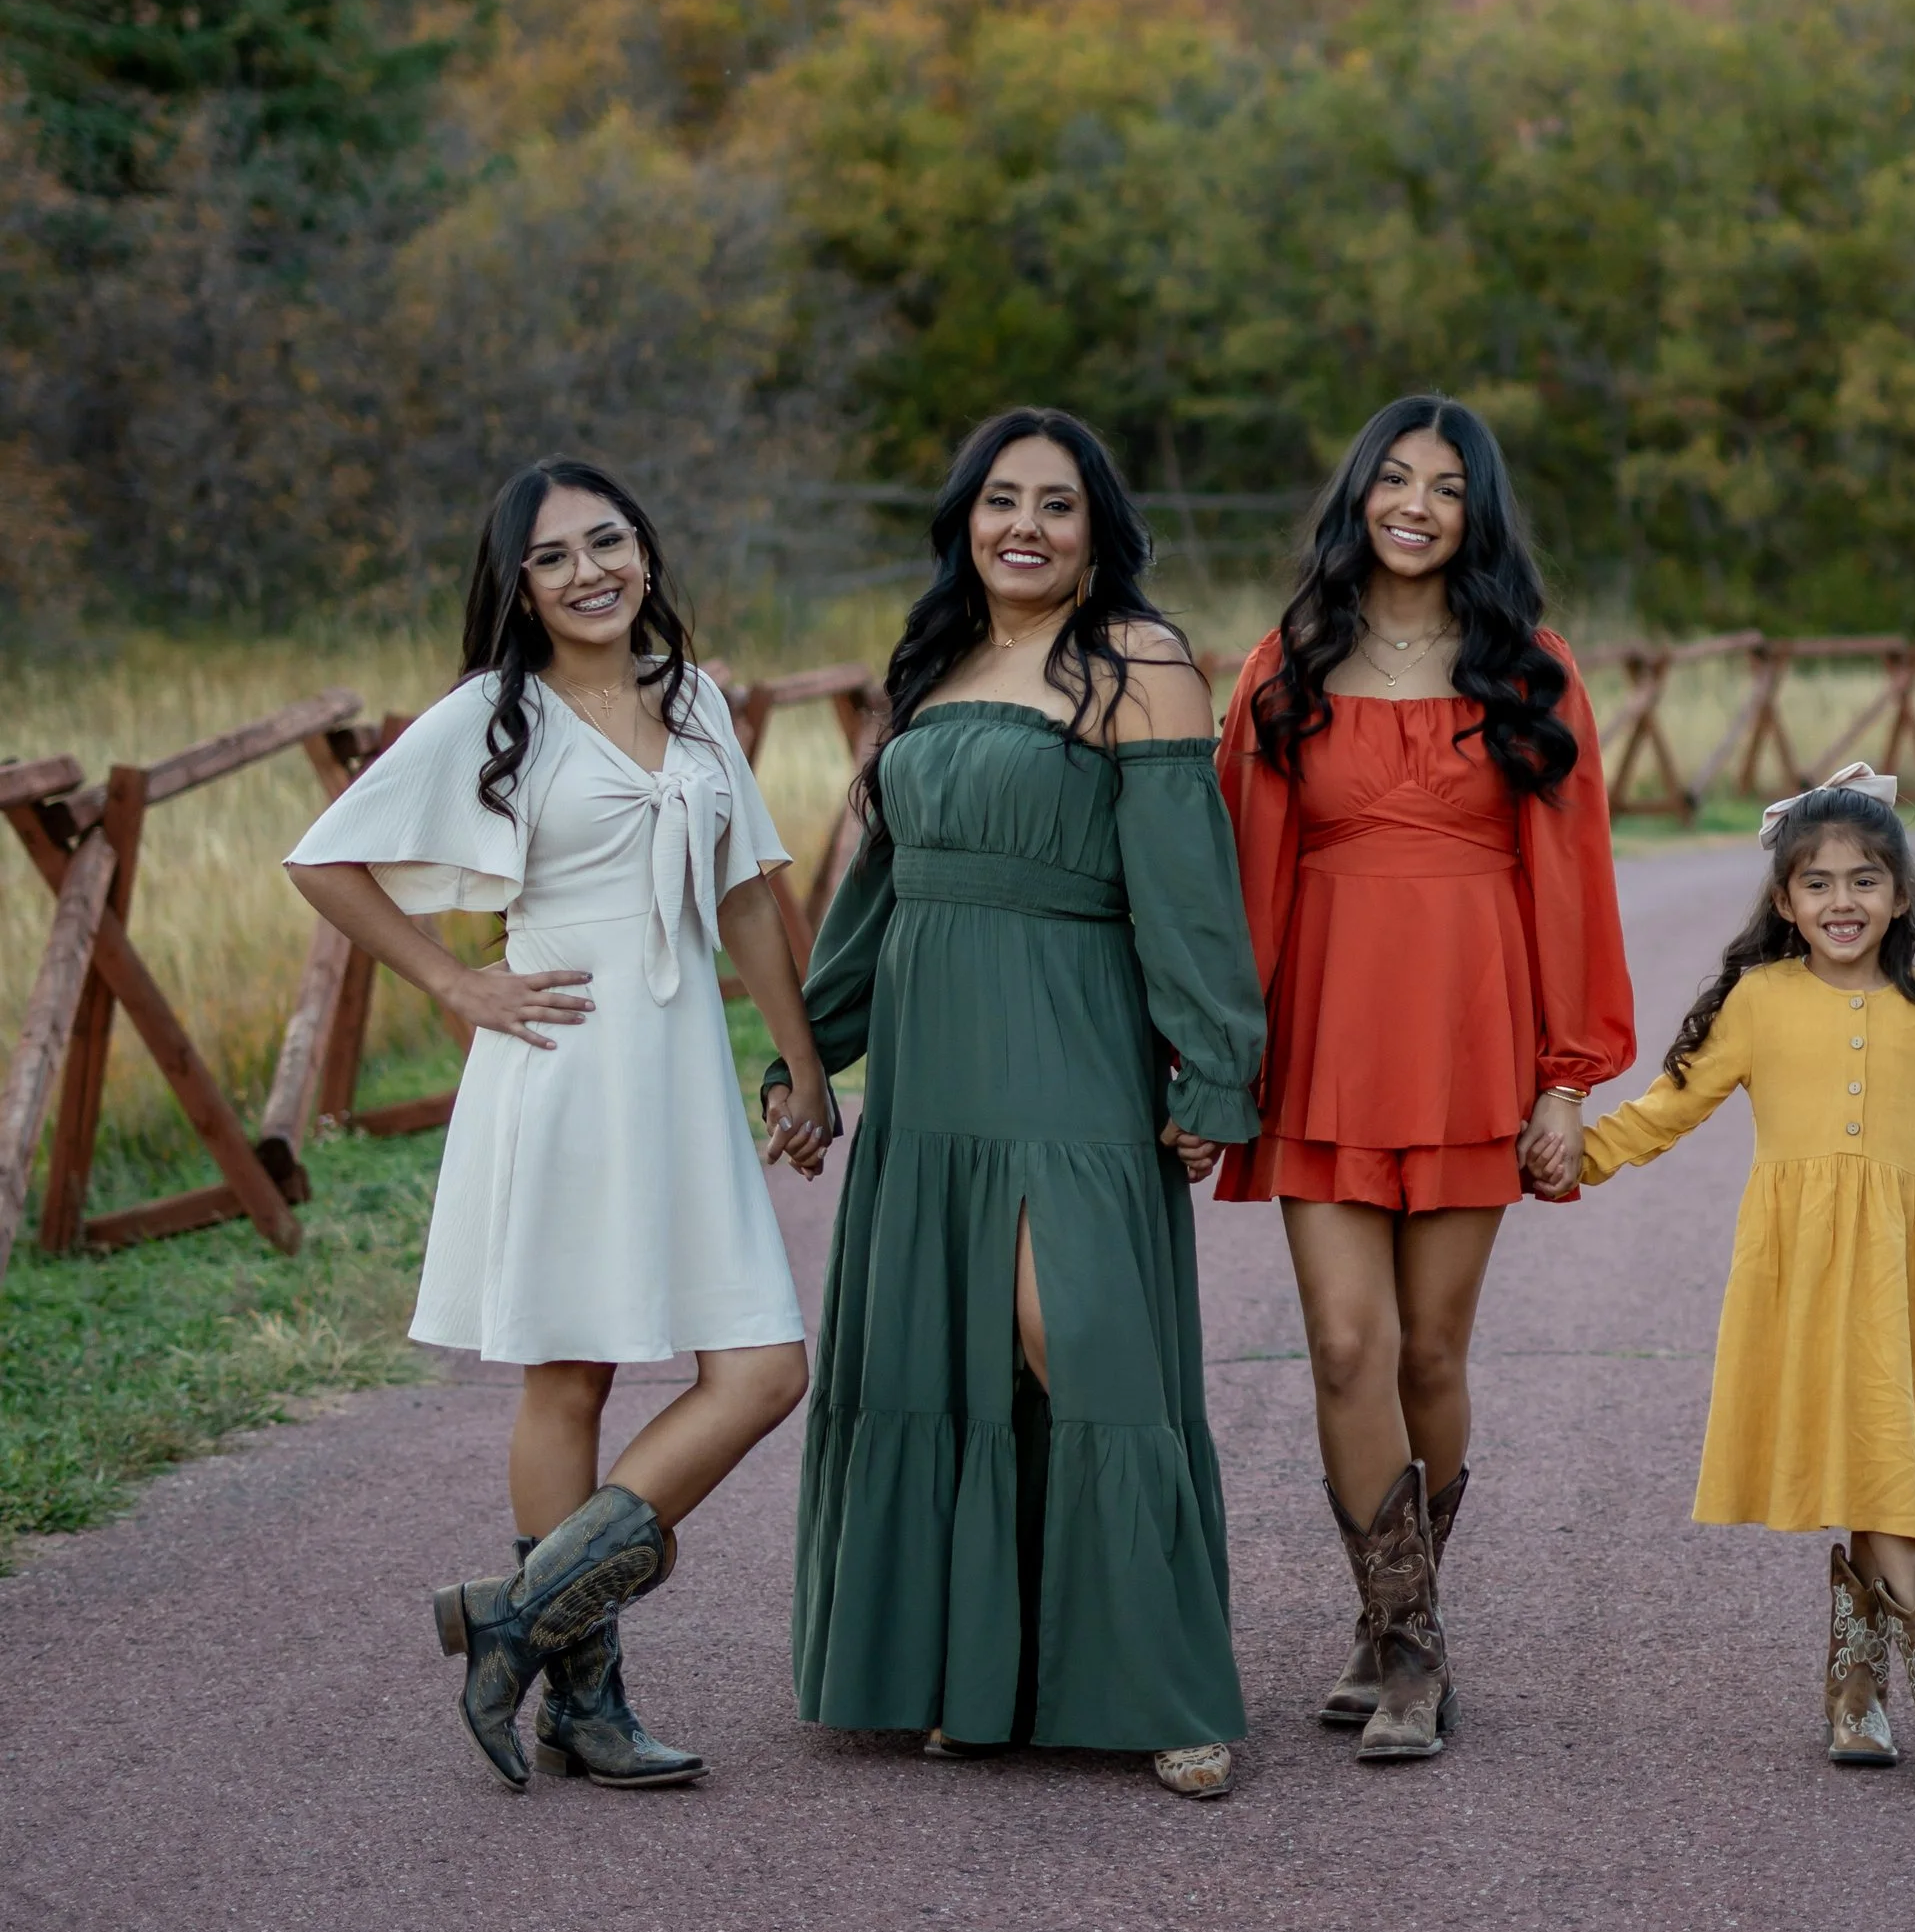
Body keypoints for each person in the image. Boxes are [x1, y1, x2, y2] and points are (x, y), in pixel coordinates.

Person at [285, 458, 835, 1793]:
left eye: (609, 541)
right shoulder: (493, 713)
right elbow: (323, 858)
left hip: (684, 1073)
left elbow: (750, 898)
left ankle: (515, 1618)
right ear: (517, 586)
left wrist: (805, 1063)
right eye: (553, 557)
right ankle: (582, 1701)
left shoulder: (693, 696)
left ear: (645, 550)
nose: (589, 570)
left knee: (764, 1369)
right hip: (566, 1062)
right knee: (571, 1377)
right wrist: (454, 979)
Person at [768, 409, 1265, 1800]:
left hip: (1069, 1045)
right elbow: (877, 885)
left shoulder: (1140, 663)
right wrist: (809, 1054)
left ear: (1099, 528)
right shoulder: (925, 662)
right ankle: (966, 1673)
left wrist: (1215, 1062)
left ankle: (1164, 1681)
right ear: (965, 520)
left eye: (1057, 503)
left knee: (1079, 1336)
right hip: (929, 1063)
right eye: (1001, 500)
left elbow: (1184, 881)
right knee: (952, 1355)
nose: (1026, 526)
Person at [1217, 397, 1635, 1764]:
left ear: (1478, 513)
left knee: (1434, 1347)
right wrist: (1221, 1053)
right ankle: (1405, 1640)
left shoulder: (1533, 668)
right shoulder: (1285, 665)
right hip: (1321, 1036)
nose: (1413, 503)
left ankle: (1398, 1622)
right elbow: (1241, 872)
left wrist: (1567, 1078)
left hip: (1471, 1037)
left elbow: (1572, 881)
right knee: (1346, 1343)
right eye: (1391, 478)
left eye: (1444, 487)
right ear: (1357, 496)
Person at [1577, 761, 1915, 1783]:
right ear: (1783, 900)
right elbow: (1669, 1108)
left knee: (1889, 1465)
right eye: (1817, 883)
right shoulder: (1758, 1000)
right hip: (1798, 1275)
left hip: (1901, 1278)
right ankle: (1867, 1696)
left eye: (1863, 881)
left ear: (1897, 897)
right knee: (1861, 1465)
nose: (1840, 901)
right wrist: (1571, 1157)